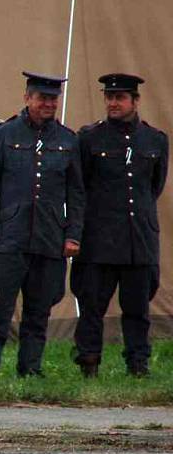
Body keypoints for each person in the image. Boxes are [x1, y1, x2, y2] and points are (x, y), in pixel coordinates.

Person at [0, 72, 84, 377]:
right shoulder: (5, 134)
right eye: (42, 98)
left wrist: (72, 235)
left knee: (39, 310)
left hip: (49, 238)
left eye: (52, 99)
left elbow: (76, 194)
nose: (48, 104)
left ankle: (30, 368)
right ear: (27, 98)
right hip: (9, 237)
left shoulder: (67, 140)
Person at [72, 73, 168, 377]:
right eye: (109, 97)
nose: (113, 103)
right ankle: (89, 361)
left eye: (120, 98)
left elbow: (153, 187)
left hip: (138, 239)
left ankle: (138, 363)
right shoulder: (89, 138)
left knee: (137, 309)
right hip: (99, 240)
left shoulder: (155, 139)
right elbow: (81, 187)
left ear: (135, 101)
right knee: (91, 306)